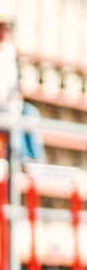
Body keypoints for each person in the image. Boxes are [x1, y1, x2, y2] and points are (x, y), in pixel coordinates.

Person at [0, 18, 42, 164]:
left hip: (12, 103)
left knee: (31, 113)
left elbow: (16, 83)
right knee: (13, 118)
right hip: (3, 105)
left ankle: (35, 160)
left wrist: (17, 97)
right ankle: (20, 159)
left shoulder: (12, 54)